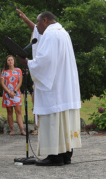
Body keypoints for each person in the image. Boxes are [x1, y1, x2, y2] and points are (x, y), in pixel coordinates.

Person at [16, 9, 81, 166]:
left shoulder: (51, 35)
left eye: (38, 22)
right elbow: (38, 35)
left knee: (53, 121)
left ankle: (55, 157)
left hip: (54, 89)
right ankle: (66, 155)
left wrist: (28, 63)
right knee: (65, 122)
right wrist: (27, 21)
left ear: (45, 20)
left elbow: (45, 60)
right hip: (65, 87)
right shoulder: (63, 32)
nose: (37, 27)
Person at [0, 55, 26, 136]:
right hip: (7, 94)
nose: (10, 61)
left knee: (18, 112)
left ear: (14, 61)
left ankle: (22, 129)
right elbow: (2, 83)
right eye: (8, 60)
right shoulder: (4, 71)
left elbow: (20, 82)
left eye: (11, 60)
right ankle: (12, 130)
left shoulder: (18, 70)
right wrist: (9, 92)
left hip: (16, 93)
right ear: (7, 62)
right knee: (9, 112)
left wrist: (14, 91)